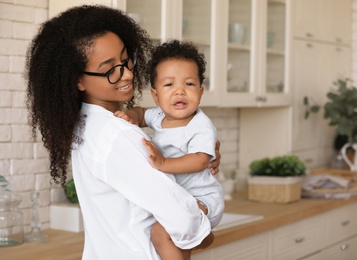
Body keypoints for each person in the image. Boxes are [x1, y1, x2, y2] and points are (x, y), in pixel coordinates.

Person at [25, 5, 221, 260]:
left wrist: (198, 156)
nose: (127, 73)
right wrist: (207, 234)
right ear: (78, 80)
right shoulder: (116, 134)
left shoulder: (87, 125)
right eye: (110, 69)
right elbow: (184, 221)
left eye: (126, 58)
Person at [114, 40, 224, 259]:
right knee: (173, 239)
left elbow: (201, 160)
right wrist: (132, 117)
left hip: (202, 198)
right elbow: (142, 112)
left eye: (189, 84)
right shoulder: (159, 116)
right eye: (169, 85)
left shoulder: (200, 125)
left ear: (201, 92)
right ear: (156, 95)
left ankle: (201, 233)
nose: (180, 92)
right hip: (179, 198)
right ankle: (202, 236)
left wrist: (164, 163)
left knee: (162, 233)